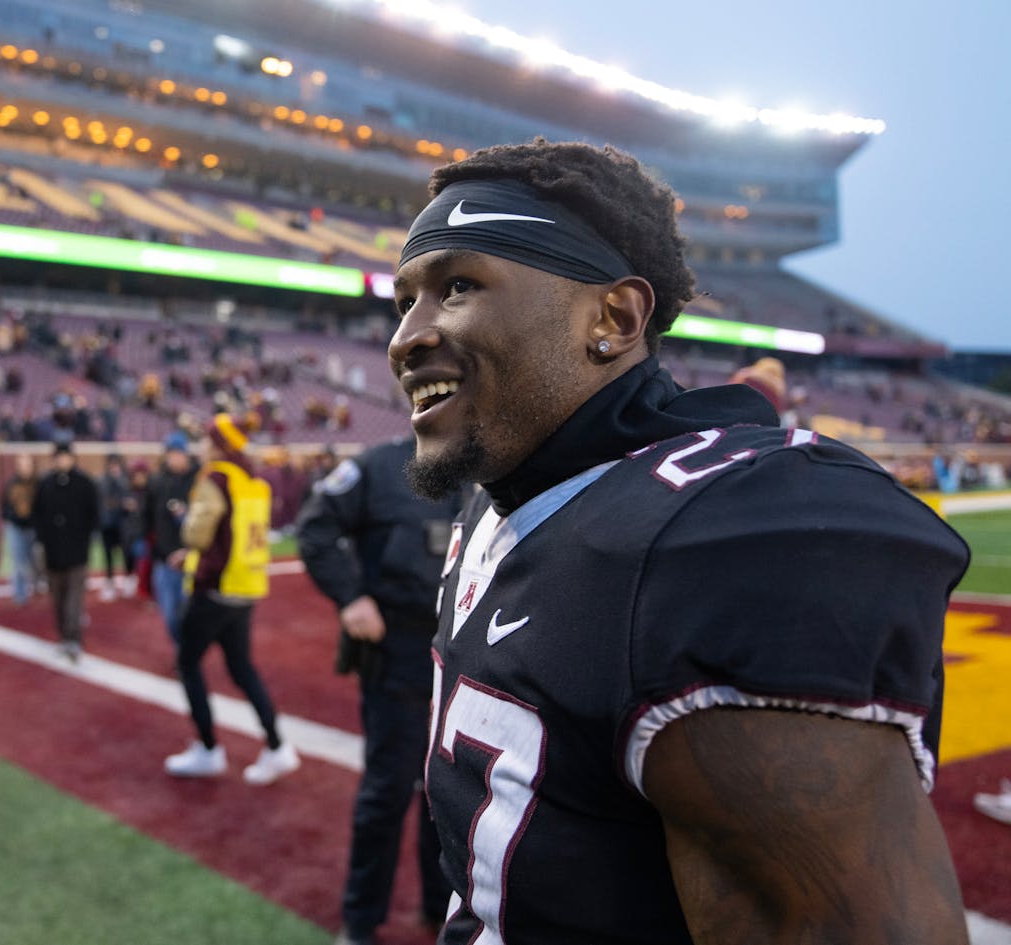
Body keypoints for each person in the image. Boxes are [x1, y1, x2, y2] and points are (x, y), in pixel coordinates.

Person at [388, 139, 970, 943]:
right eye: (403, 301)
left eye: (457, 286)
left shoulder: (719, 534)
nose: (405, 337)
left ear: (614, 318)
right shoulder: (510, 491)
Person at [296, 437, 460, 945]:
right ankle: (361, 921)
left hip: (460, 659)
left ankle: (443, 909)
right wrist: (351, 598)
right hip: (396, 652)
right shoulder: (379, 465)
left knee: (449, 796)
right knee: (388, 790)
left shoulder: (487, 463)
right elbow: (315, 529)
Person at [164, 414, 299, 785]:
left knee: (188, 664)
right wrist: (191, 557)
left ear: (219, 444)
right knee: (242, 669)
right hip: (246, 587)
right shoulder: (253, 479)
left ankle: (208, 749)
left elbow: (199, 534)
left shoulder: (217, 476)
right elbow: (233, 537)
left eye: (207, 440)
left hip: (216, 589)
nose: (202, 446)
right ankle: (276, 745)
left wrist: (188, 540)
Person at [31, 442, 100, 662]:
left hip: (77, 552)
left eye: (66, 457)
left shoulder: (84, 483)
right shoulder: (46, 484)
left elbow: (94, 515)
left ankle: (74, 639)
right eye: (59, 457)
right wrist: (43, 539)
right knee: (58, 599)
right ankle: (63, 637)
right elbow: (37, 515)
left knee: (74, 600)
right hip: (53, 553)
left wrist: (86, 538)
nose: (62, 461)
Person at [143, 433, 198, 644]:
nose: (174, 458)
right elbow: (146, 514)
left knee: (188, 612)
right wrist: (142, 539)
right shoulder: (157, 481)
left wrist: (187, 514)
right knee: (169, 614)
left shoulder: (198, 480)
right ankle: (181, 649)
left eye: (178, 453)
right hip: (164, 557)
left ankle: (186, 655)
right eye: (171, 454)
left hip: (189, 558)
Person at [0, 453, 41, 605]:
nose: (25, 468)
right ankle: (20, 594)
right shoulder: (11, 483)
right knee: (18, 562)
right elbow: (4, 505)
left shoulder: (38, 483)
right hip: (16, 527)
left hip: (33, 527)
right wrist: (10, 518)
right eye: (22, 464)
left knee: (36, 561)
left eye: (27, 464)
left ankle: (37, 585)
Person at [97, 453, 135, 600]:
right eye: (111, 465)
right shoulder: (102, 481)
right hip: (107, 524)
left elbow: (129, 500)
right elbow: (104, 501)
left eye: (116, 465)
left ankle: (128, 579)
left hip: (123, 525)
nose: (114, 468)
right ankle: (109, 583)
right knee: (108, 556)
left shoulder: (125, 480)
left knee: (127, 553)